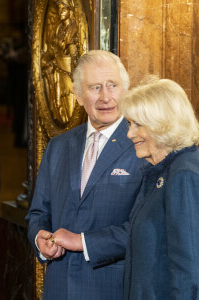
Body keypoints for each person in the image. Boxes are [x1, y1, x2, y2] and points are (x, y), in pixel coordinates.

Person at [26, 50, 144, 300]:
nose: (105, 97)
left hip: (112, 289)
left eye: (112, 85)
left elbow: (146, 229)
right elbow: (38, 212)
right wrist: (40, 239)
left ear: (125, 89)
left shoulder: (143, 146)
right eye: (95, 87)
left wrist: (83, 242)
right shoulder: (58, 146)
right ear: (78, 95)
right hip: (58, 288)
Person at [119, 77, 199, 299]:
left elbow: (191, 274)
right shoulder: (168, 169)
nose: (130, 133)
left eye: (138, 124)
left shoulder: (185, 175)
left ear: (162, 123)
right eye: (130, 124)